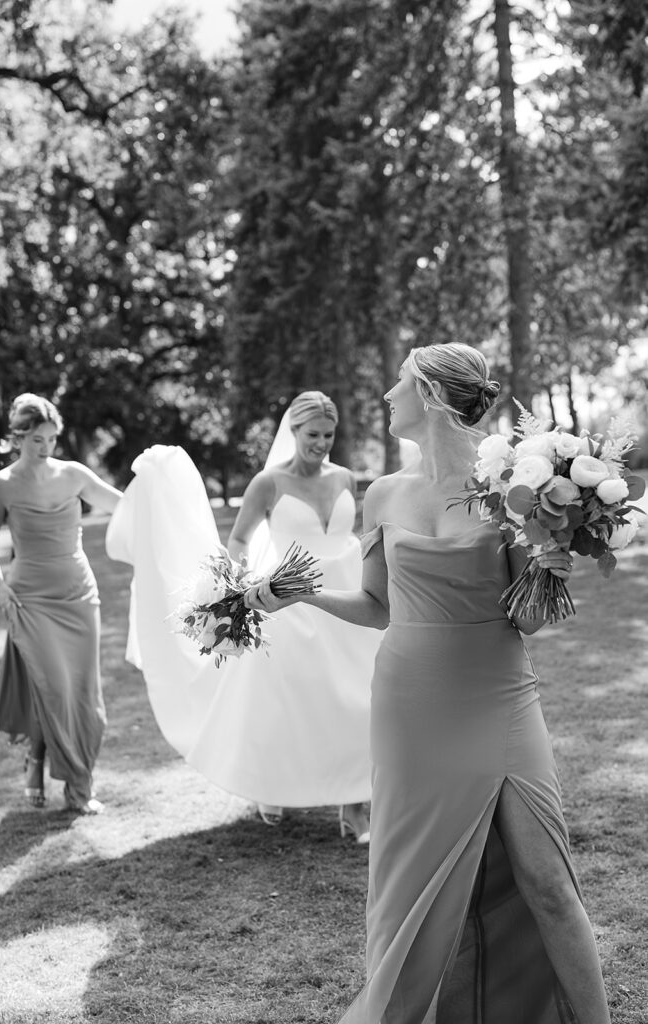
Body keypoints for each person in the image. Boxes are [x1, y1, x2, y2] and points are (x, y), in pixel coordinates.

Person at [245, 345, 610, 1023]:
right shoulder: (382, 493)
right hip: (409, 705)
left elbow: (525, 621)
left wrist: (553, 563)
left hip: (498, 698)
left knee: (548, 882)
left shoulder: (512, 490)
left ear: (435, 396)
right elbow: (378, 607)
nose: (386, 394)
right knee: (408, 883)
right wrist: (299, 596)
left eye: (400, 383)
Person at [105, 392, 381, 841]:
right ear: (293, 432)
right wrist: (236, 587)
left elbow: (350, 537)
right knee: (289, 701)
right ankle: (272, 782)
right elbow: (238, 540)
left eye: (328, 435)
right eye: (313, 435)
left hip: (347, 595)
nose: (321, 444)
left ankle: (354, 804)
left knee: (360, 697)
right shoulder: (268, 483)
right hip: (289, 600)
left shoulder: (345, 478)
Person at [0, 393, 122, 814]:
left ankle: (79, 789)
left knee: (82, 695)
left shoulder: (74, 474)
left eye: (52, 439)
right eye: (37, 439)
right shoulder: (2, 484)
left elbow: (122, 505)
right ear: (19, 437)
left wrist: (159, 478)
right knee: (53, 688)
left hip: (79, 595)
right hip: (29, 598)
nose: (46, 448)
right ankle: (38, 758)